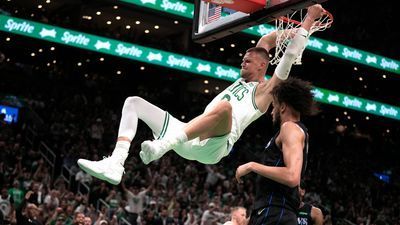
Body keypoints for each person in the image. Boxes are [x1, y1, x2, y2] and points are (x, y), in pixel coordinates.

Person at [77, 4, 326, 185]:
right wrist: (295, 28)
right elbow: (267, 38)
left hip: (215, 146)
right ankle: (116, 163)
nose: (243, 62)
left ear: (262, 66)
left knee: (225, 108)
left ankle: (164, 145)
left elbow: (289, 57)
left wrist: (310, 19)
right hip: (189, 136)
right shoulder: (245, 76)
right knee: (133, 103)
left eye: (247, 61)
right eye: (243, 59)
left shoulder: (264, 91)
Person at [234, 77, 316, 225]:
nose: (272, 111)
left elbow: (292, 176)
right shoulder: (295, 132)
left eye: (274, 106)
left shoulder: (289, 128)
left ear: (283, 107)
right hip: (270, 213)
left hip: (274, 215)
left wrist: (251, 165)